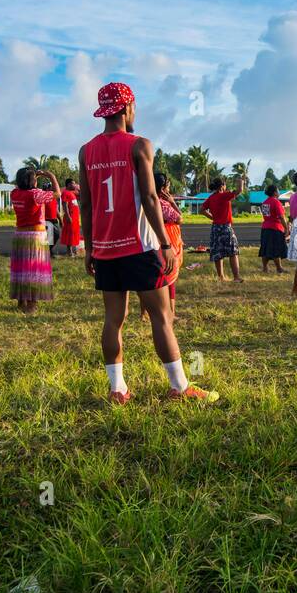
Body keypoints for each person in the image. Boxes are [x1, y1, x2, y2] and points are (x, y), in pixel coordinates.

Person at [79, 81, 217, 404]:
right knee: (161, 316)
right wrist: (165, 242)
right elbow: (151, 198)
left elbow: (85, 204)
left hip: (106, 249)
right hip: (140, 247)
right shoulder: (140, 145)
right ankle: (180, 387)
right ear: (127, 109)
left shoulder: (86, 151)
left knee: (113, 319)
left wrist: (89, 249)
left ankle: (117, 389)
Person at [9, 167, 62, 313]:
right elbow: (57, 194)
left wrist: (32, 178)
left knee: (21, 269)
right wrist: (51, 176)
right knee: (34, 269)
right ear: (31, 180)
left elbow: (20, 185)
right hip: (35, 236)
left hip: (20, 235)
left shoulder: (14, 193)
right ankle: (31, 305)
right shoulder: (36, 194)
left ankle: (21, 302)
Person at [139, 172, 183, 322]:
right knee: (168, 278)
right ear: (163, 188)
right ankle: (171, 313)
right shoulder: (163, 204)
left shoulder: (144, 201)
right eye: (168, 186)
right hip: (165, 243)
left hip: (147, 241)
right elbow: (179, 219)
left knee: (147, 279)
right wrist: (172, 202)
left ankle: (143, 313)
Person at [201, 174, 245, 282]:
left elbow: (201, 210)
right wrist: (240, 180)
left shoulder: (211, 198)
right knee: (233, 252)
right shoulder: (224, 196)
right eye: (225, 185)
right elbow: (239, 190)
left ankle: (221, 277)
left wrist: (212, 217)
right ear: (222, 186)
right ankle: (236, 277)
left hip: (215, 228)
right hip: (226, 227)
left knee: (218, 253)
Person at [258, 183, 288, 273]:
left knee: (265, 248)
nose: (279, 192)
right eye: (278, 190)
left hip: (265, 227)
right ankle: (279, 268)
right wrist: (286, 228)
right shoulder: (276, 202)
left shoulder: (264, 203)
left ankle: (265, 267)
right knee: (276, 248)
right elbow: (281, 217)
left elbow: (266, 215)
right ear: (275, 192)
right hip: (275, 228)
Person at [59, 179, 83, 256]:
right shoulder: (65, 193)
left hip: (75, 218)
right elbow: (64, 205)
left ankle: (74, 251)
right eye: (73, 184)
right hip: (70, 217)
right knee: (69, 234)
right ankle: (69, 252)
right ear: (68, 185)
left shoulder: (72, 193)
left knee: (74, 234)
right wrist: (68, 216)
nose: (75, 185)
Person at [44, 184, 62, 257]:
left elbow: (56, 209)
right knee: (49, 237)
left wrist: (60, 220)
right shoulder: (43, 197)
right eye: (50, 188)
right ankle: (48, 252)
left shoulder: (53, 197)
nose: (51, 189)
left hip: (54, 219)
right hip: (46, 219)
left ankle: (48, 250)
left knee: (56, 235)